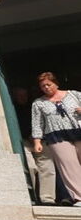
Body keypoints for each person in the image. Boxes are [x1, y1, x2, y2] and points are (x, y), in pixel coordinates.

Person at [31, 72, 81, 205]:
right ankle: (79, 197)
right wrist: (37, 141)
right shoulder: (38, 103)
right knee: (69, 166)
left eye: (49, 84)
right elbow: (37, 123)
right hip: (56, 136)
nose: (46, 88)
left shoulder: (74, 94)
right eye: (43, 86)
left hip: (78, 131)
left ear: (56, 83)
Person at [13, 86, 58, 205]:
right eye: (20, 96)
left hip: (40, 139)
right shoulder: (12, 109)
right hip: (24, 141)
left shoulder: (34, 106)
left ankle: (48, 198)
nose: (23, 98)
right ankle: (31, 196)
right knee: (31, 168)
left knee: (47, 167)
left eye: (24, 95)